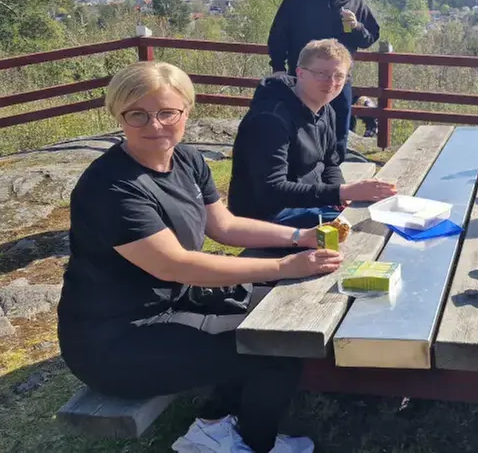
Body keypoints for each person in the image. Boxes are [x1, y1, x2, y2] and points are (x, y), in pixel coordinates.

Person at [57, 61, 343, 453]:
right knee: (277, 349)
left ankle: (214, 426)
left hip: (172, 306)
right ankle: (251, 444)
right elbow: (175, 264)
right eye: (137, 114)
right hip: (116, 340)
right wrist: (283, 265)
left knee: (279, 310)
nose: (154, 125)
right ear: (117, 116)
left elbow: (224, 226)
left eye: (167, 112)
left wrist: (300, 237)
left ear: (187, 110)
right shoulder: (111, 187)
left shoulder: (186, 159)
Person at [228, 39, 395, 228]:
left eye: (339, 76)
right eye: (321, 74)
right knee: (366, 225)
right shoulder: (270, 119)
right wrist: (342, 192)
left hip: (306, 203)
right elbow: (271, 190)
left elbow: (330, 163)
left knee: (381, 212)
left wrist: (341, 198)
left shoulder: (326, 109)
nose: (331, 83)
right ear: (300, 73)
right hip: (266, 215)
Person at [267, 0, 381, 161]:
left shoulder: (356, 4)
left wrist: (356, 27)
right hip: (302, 77)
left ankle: (333, 170)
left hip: (339, 79)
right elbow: (278, 35)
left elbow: (370, 37)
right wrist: (278, 68)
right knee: (300, 124)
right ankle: (300, 167)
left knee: (338, 128)